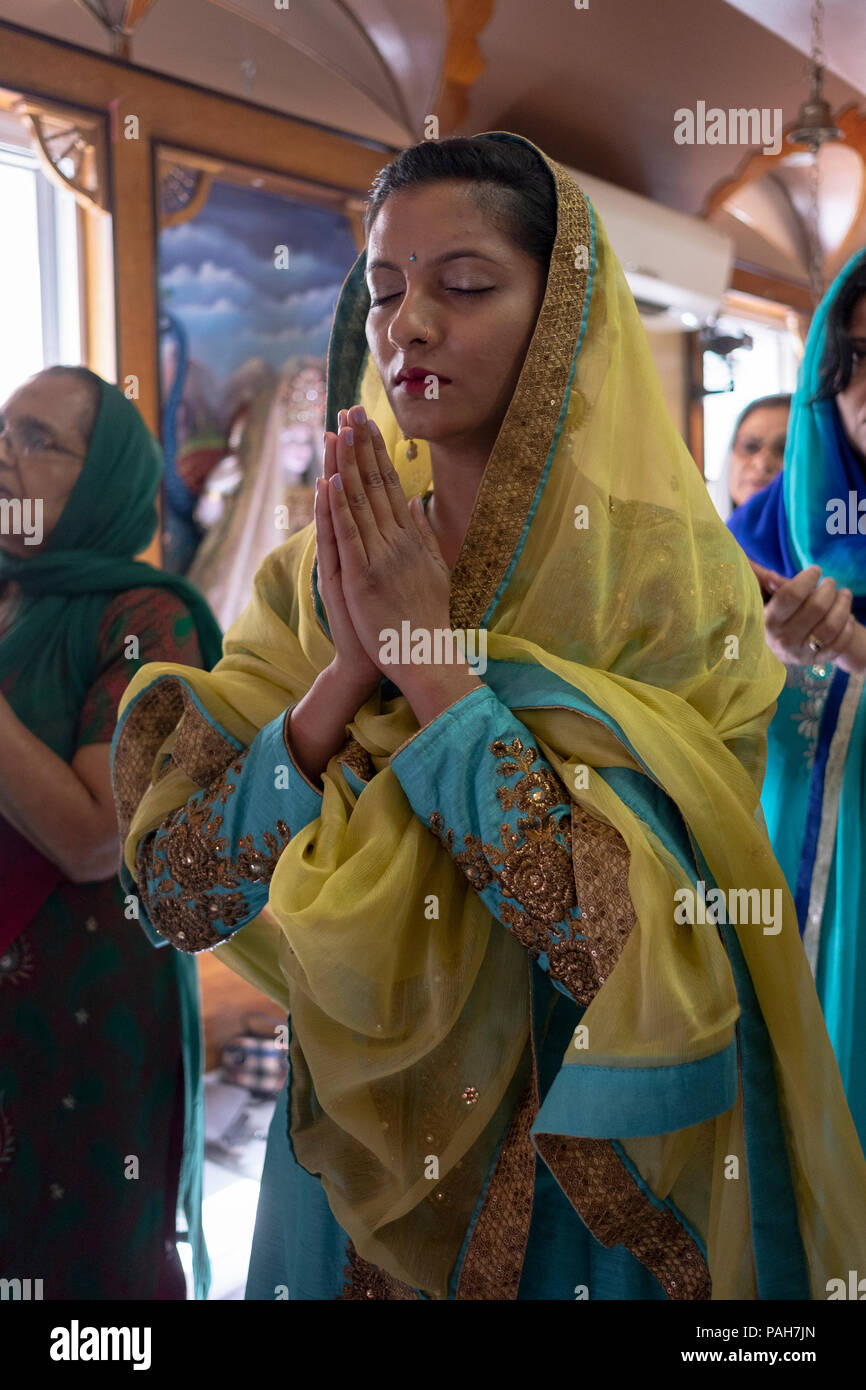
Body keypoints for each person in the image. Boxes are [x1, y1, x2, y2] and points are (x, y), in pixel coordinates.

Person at [111, 134, 866, 1302]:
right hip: (344, 1171)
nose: (408, 324)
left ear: (559, 312)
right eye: (383, 289)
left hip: (574, 1170)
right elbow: (180, 892)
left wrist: (430, 670)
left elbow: (622, 949)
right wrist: (334, 686)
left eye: (463, 286)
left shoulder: (668, 587)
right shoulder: (312, 578)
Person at [0, 366, 222, 1298]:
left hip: (81, 1004)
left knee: (80, 1265)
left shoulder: (147, 617)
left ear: (105, 479)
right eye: (3, 432)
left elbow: (97, 836)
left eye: (38, 439)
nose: (5, 456)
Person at [729, 249, 866, 1154]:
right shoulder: (765, 532)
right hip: (777, 868)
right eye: (858, 360)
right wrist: (760, 656)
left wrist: (856, 648)